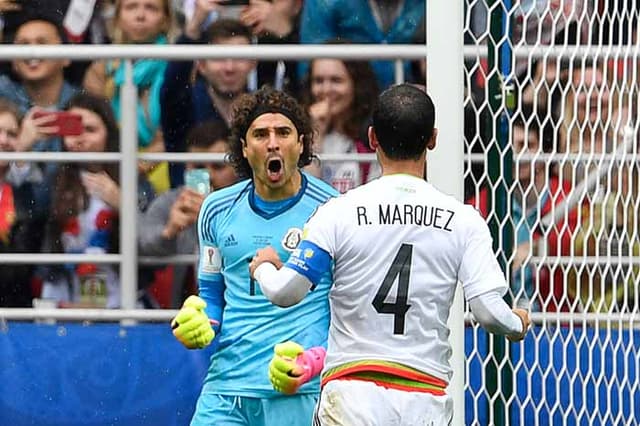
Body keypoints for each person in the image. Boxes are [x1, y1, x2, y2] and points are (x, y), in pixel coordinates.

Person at [249, 84, 531, 425]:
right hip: (423, 396)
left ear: (372, 138)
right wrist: (516, 323)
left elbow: (285, 292)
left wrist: (263, 267)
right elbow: (488, 313)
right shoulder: (464, 220)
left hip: (352, 395)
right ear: (433, 139)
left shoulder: (337, 212)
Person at [170, 86, 339, 425]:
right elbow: (211, 294)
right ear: (245, 149)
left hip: (297, 387)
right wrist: (203, 324)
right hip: (227, 386)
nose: (272, 143)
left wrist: (316, 361)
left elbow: (347, 303)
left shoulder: (332, 209)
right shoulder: (215, 210)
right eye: (260, 134)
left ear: (301, 144)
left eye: (283, 133)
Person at [138, 120, 238, 307]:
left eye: (218, 167)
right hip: (178, 314)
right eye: (199, 167)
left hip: (233, 310)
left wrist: (211, 221)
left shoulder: (250, 202)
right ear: (186, 168)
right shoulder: (171, 201)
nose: (209, 176)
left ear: (237, 167)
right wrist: (168, 232)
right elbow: (142, 246)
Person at [83, 0, 174, 194]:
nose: (140, 15)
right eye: (131, 7)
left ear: (165, 19)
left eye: (151, 8)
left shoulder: (177, 66)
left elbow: (177, 132)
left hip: (166, 163)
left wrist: (138, 165)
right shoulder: (99, 69)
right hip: (114, 166)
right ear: (117, 18)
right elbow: (95, 127)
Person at [161, 12, 255, 187]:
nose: (229, 67)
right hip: (190, 207)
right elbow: (172, 85)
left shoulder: (264, 109)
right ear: (201, 65)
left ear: (253, 63)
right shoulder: (183, 105)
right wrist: (192, 29)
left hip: (252, 210)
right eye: (219, 58)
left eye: (239, 57)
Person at [301, 50, 380, 193]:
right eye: (318, 81)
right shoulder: (298, 135)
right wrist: (315, 135)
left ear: (356, 84)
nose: (326, 90)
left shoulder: (372, 136)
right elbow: (306, 195)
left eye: (336, 80)